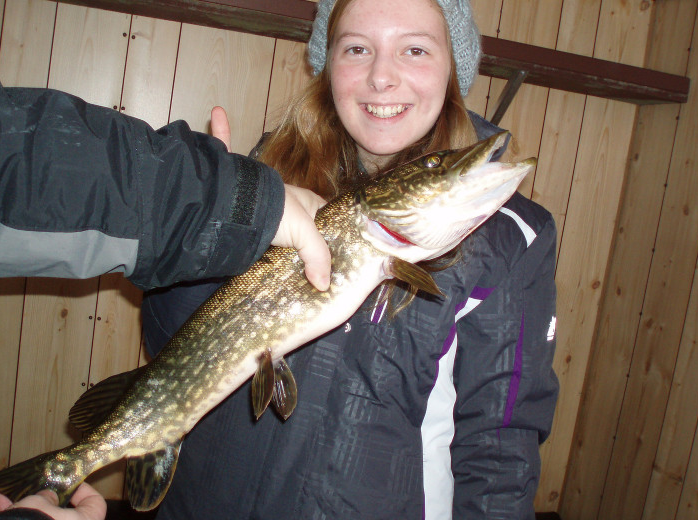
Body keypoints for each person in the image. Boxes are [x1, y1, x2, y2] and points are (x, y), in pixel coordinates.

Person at [141, 0, 559, 519]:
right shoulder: (262, 180)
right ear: (327, 66)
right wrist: (190, 233)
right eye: (357, 48)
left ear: (454, 67)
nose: (382, 77)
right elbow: (172, 350)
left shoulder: (512, 236)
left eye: (414, 48)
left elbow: (500, 450)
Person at [0, 57, 331, 292]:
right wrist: (219, 211)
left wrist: (217, 205)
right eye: (356, 49)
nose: (381, 78)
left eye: (402, 48)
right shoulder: (271, 164)